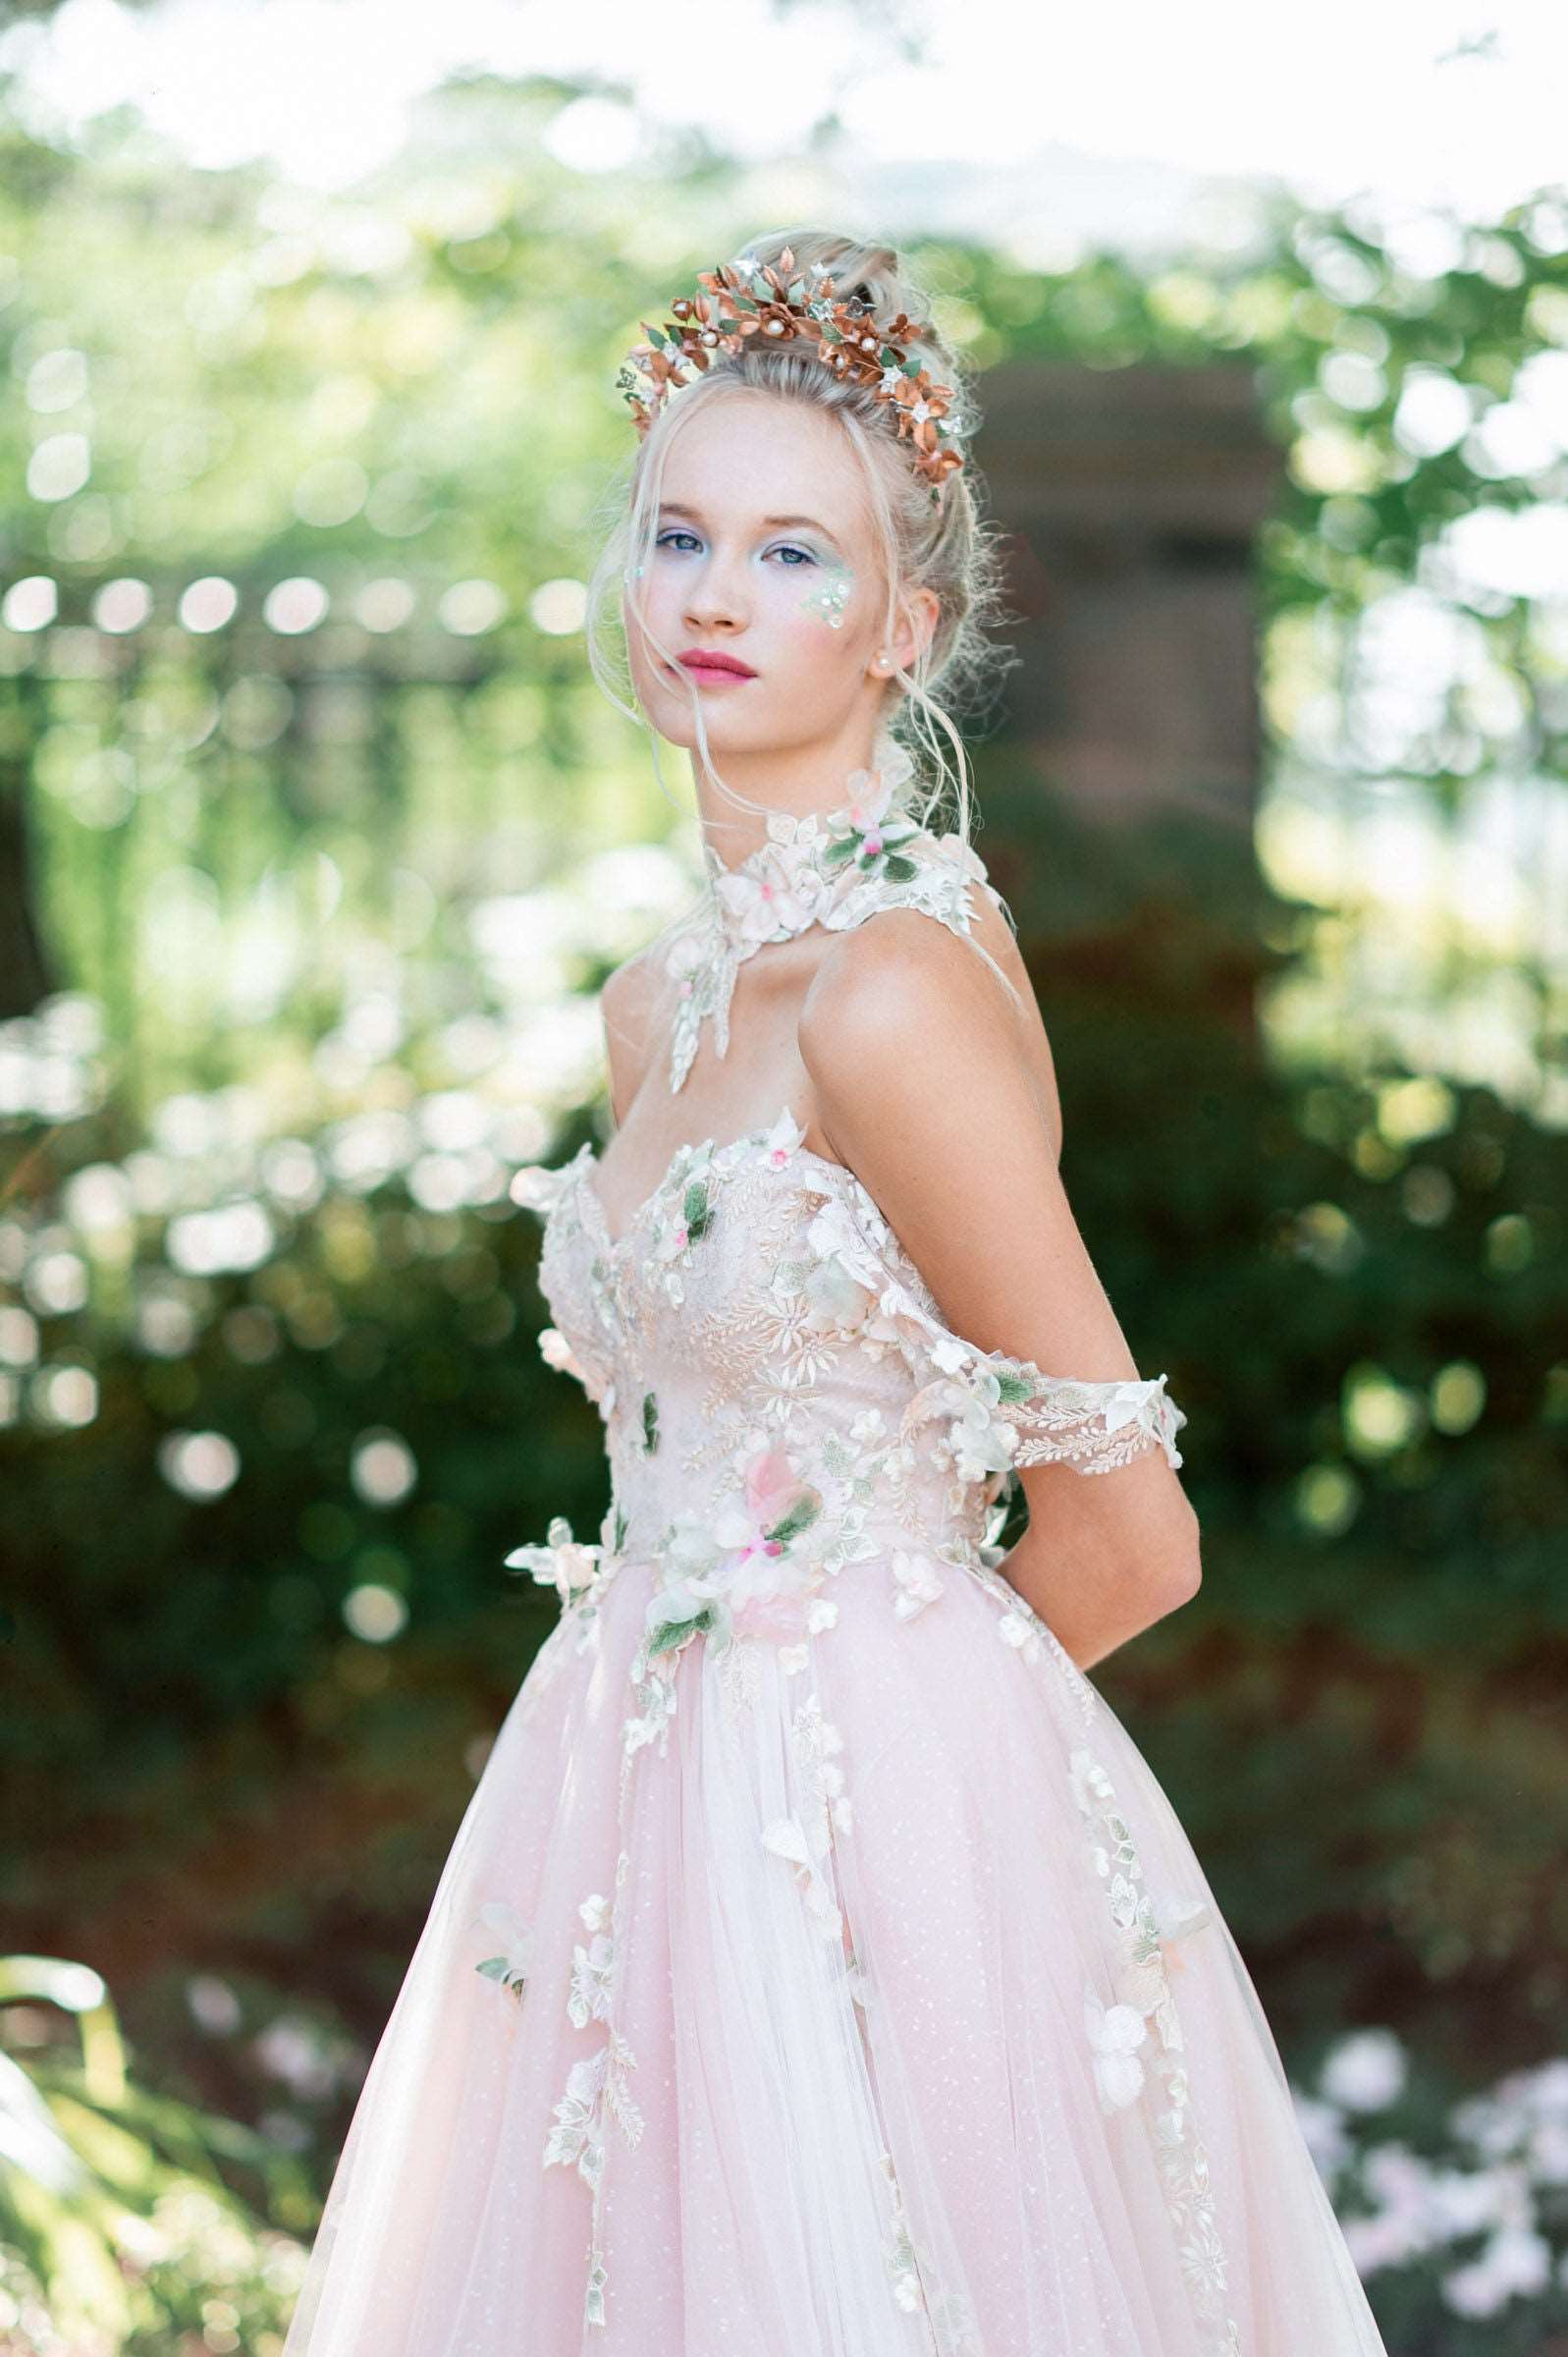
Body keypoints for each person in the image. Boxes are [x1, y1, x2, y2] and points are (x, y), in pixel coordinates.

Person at [281, 231, 1390, 2355]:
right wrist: (689, 1764)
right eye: (681, 534)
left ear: (909, 622)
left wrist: (873, 1779)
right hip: (621, 1800)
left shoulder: (892, 996)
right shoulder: (661, 1007)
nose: (713, 596)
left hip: (850, 1830)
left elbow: (1128, 1532)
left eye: (793, 555)